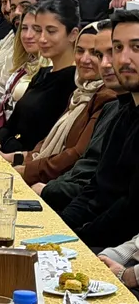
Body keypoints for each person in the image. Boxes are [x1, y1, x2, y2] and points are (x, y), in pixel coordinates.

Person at [60, 9, 139, 249]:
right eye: (118, 48)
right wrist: (60, 229)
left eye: (136, 47)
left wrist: (77, 240)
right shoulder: (121, 111)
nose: (123, 59)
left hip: (117, 250)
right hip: (96, 237)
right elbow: (96, 187)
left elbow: (130, 210)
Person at [11, 22, 117, 185]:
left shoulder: (108, 96)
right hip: (48, 175)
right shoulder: (80, 92)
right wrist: (23, 159)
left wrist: (27, 171)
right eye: (80, 51)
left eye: (95, 53)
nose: (84, 59)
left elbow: (76, 154)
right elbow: (47, 141)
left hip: (61, 184)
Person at [37, 20, 124, 209]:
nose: (105, 63)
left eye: (113, 52)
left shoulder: (107, 97)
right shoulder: (83, 93)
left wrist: (40, 184)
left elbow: (77, 158)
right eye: (100, 55)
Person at [0, 0, 80, 154]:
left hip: (25, 161)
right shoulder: (43, 72)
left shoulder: (74, 81)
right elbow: (13, 121)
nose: (42, 39)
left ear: (73, 34)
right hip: (5, 149)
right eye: (39, 30)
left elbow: (52, 146)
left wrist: (10, 157)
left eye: (51, 31)